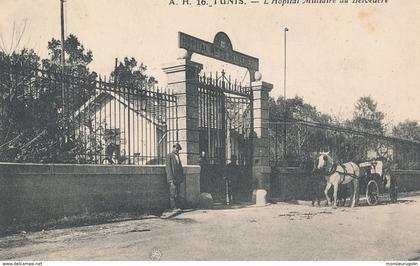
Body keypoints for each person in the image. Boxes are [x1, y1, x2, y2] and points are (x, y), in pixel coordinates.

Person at [165, 143, 185, 210]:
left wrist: (181, 178)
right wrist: (170, 179)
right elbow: (168, 168)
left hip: (178, 178)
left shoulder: (178, 156)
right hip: (172, 179)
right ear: (173, 148)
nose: (177, 150)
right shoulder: (169, 156)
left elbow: (180, 167)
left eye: (178, 149)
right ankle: (173, 207)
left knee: (178, 194)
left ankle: (178, 207)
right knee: (172, 194)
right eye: (176, 148)